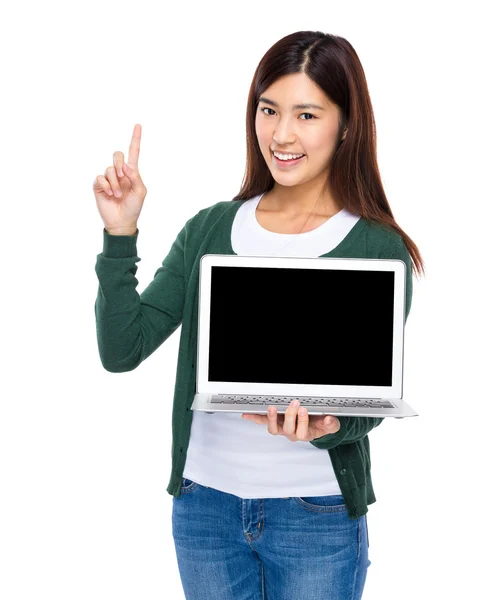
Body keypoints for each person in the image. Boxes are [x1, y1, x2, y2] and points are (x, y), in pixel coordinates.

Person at [93, 30, 424, 600]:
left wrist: (329, 427)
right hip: (206, 511)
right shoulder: (210, 229)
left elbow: (371, 400)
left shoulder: (376, 247)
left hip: (315, 515)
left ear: (346, 125)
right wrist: (120, 234)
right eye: (268, 110)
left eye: (307, 114)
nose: (282, 133)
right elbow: (122, 350)